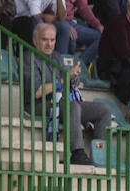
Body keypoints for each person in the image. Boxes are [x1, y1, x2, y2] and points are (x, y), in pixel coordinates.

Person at [26, 21, 114, 166]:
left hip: (61, 103)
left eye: (52, 40)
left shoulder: (56, 57)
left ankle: (101, 155)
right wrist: (64, 78)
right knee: (72, 106)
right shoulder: (29, 58)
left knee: (103, 110)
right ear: (35, 41)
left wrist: (71, 79)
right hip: (38, 105)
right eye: (44, 39)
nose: (49, 44)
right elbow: (37, 92)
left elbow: (64, 85)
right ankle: (77, 153)